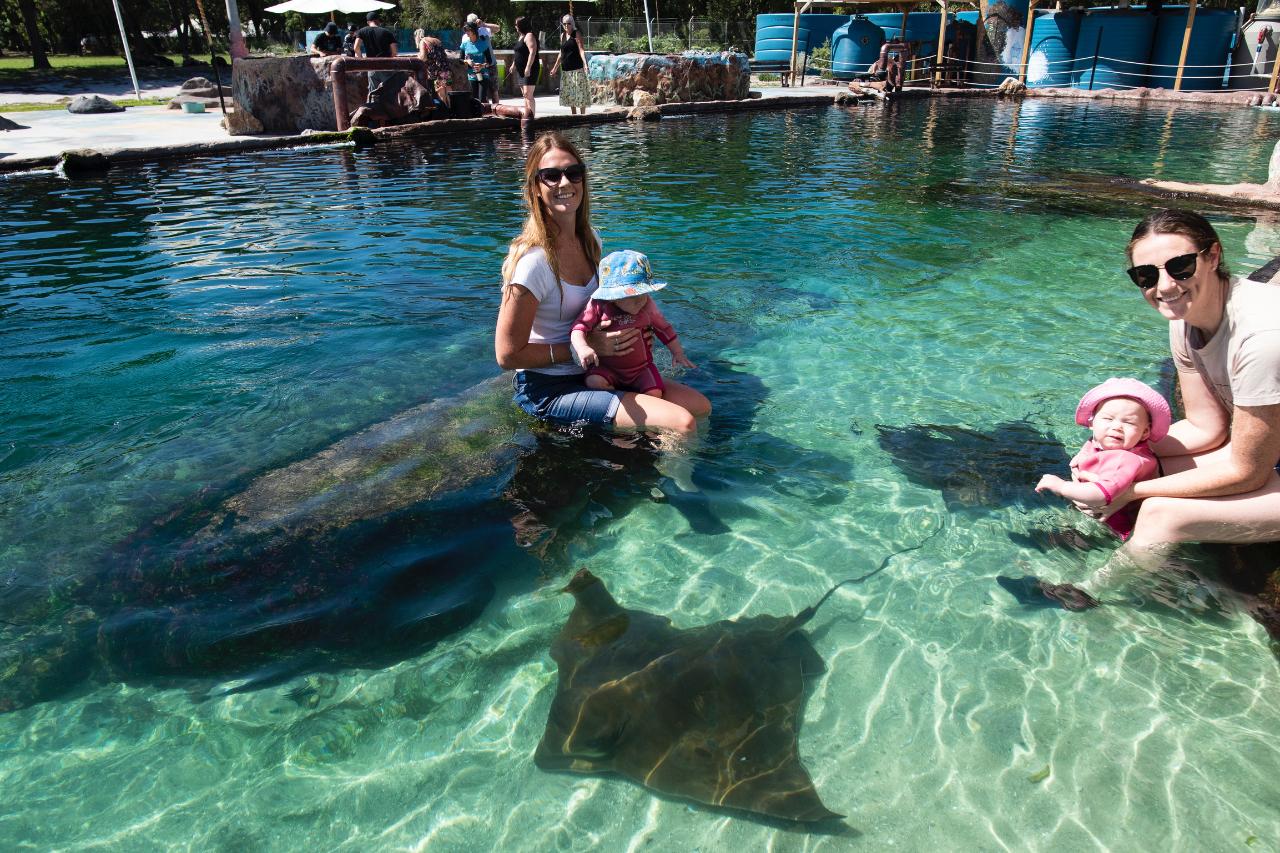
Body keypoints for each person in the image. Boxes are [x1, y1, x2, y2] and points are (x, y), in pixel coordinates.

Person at [1070, 209, 1280, 550]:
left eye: (1180, 266)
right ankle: (1084, 548)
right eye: (1146, 276)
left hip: (1262, 463)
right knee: (1116, 466)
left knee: (1161, 514)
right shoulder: (1184, 320)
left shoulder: (1262, 337)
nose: (1165, 286)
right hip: (1269, 455)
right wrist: (1109, 450)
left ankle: (1094, 595)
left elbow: (1249, 471)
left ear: (1213, 256)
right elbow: (1204, 427)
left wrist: (1127, 490)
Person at [495, 133, 711, 435]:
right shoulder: (533, 264)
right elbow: (506, 355)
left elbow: (606, 305)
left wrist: (637, 324)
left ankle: (645, 455)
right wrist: (583, 347)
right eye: (551, 176)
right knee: (682, 423)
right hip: (549, 387)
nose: (565, 183)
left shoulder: (590, 241)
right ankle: (666, 483)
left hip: (600, 370)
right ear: (535, 187)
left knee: (699, 406)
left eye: (573, 173)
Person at [1035, 378, 1171, 540]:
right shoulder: (1105, 442)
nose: (1116, 427)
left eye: (1129, 422)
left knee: (1069, 542)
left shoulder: (1125, 459)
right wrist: (1082, 457)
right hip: (1097, 508)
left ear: (1145, 432)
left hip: (1112, 523)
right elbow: (1091, 444)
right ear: (1092, 423)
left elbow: (1101, 494)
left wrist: (1062, 487)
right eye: (1108, 419)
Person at [571, 250, 695, 398]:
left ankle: (630, 398)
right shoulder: (599, 305)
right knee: (594, 381)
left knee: (655, 393)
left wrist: (678, 353)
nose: (640, 299)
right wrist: (583, 347)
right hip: (606, 368)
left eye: (643, 293)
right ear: (613, 297)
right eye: (633, 295)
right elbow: (578, 329)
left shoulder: (647, 305)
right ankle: (618, 401)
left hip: (641, 369)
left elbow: (664, 328)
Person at [550, 14, 589, 116]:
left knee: (580, 94)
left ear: (572, 24)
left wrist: (585, 64)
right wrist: (555, 68)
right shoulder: (562, 36)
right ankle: (574, 116)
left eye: (569, 23)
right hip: (566, 71)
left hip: (577, 69)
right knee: (571, 96)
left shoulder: (577, 34)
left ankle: (582, 116)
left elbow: (581, 50)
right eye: (564, 23)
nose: (566, 25)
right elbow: (561, 54)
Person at [355, 11, 399, 95]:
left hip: (372, 66)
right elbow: (394, 51)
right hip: (386, 66)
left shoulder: (361, 31)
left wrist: (361, 59)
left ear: (368, 22)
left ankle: (374, 107)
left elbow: (356, 48)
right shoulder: (387, 32)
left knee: (373, 94)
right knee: (390, 92)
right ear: (378, 21)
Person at [465, 13, 502, 105]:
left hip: (490, 65)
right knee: (482, 94)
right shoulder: (466, 35)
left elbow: (498, 28)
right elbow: (465, 53)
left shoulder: (484, 30)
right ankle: (485, 112)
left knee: (494, 90)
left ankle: (497, 112)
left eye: (475, 23)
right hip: (477, 68)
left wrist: (484, 24)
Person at [414, 28, 453, 109]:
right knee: (449, 90)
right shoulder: (436, 40)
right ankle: (453, 111)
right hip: (446, 68)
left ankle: (445, 113)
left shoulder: (423, 41)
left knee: (441, 92)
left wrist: (417, 56)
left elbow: (423, 57)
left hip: (437, 71)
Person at [512, 16, 540, 119]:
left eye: (516, 25)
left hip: (529, 69)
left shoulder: (529, 36)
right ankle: (527, 115)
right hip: (521, 70)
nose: (515, 27)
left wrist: (528, 67)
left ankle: (531, 116)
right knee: (525, 94)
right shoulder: (521, 36)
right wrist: (513, 65)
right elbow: (519, 53)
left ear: (521, 25)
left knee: (529, 94)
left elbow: (532, 52)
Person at [460, 23, 496, 104]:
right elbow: (460, 60)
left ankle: (484, 115)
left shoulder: (483, 43)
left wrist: (482, 66)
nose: (466, 32)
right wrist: (467, 61)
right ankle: (477, 115)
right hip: (471, 75)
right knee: (474, 99)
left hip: (483, 74)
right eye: (465, 30)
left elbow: (490, 61)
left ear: (474, 30)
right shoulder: (465, 44)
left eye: (468, 30)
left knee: (482, 98)